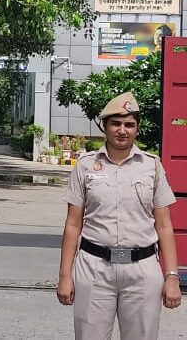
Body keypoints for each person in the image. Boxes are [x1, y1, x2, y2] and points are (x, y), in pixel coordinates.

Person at [57, 92, 182, 340]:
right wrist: (65, 276)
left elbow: (164, 226)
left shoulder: (152, 166)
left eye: (129, 124)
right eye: (115, 123)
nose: (122, 130)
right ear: (104, 126)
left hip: (142, 269)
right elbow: (72, 225)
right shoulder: (85, 165)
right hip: (94, 267)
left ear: (137, 129)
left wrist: (172, 276)